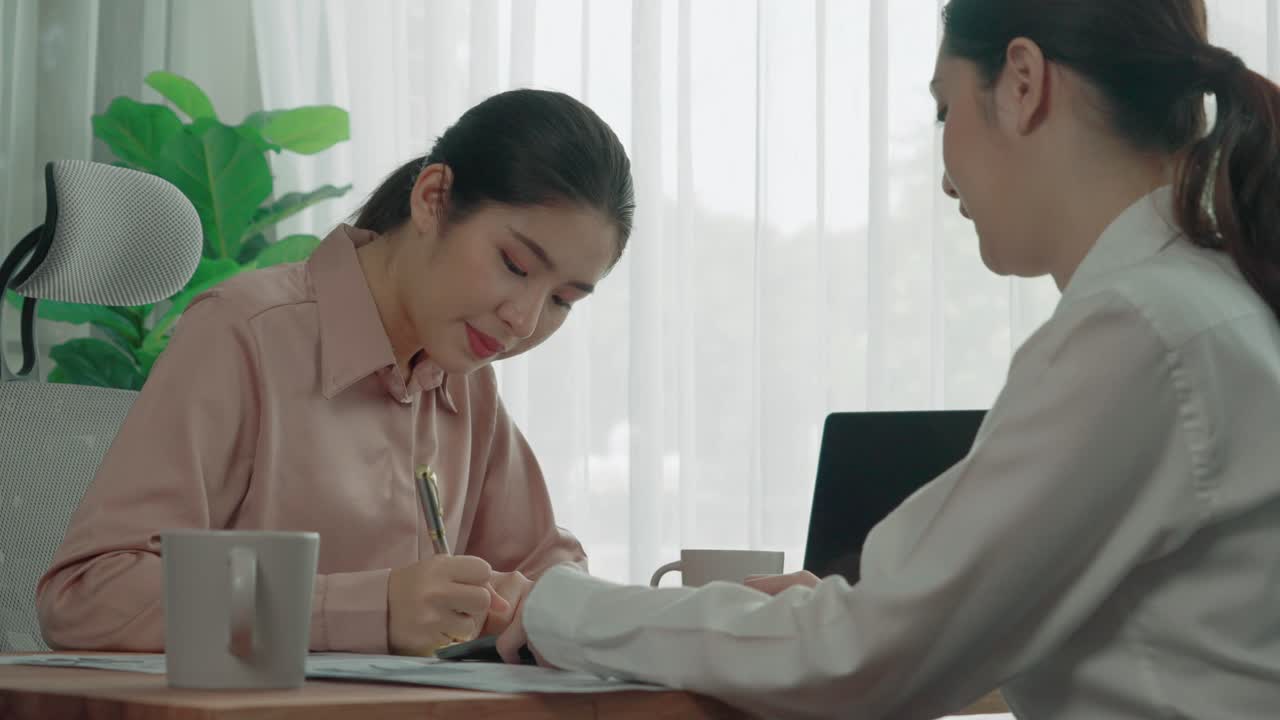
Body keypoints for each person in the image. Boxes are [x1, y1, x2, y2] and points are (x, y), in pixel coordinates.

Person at [496, 1, 1280, 717]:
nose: (944, 177)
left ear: (1022, 83)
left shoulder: (1141, 329)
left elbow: (859, 658)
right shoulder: (1205, 305)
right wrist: (865, 606)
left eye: (944, 106)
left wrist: (563, 608)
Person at [37, 88, 634, 656]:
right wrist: (363, 610)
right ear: (432, 198)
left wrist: (543, 603)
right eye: (514, 263)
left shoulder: (464, 377)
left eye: (563, 301)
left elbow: (544, 565)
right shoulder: (245, 332)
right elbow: (89, 594)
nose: (525, 320)